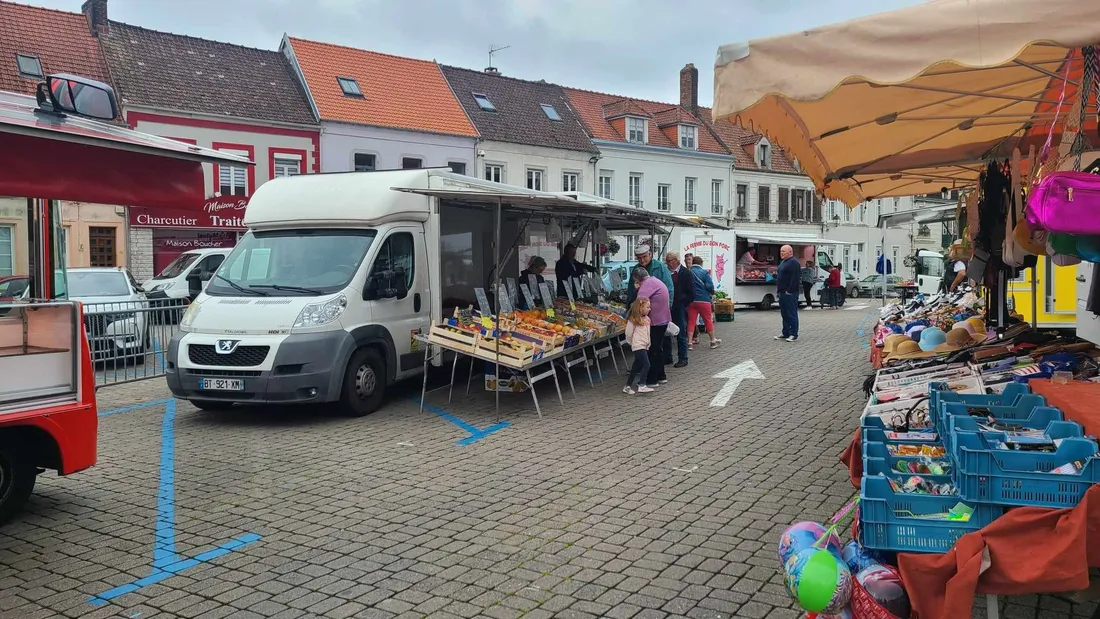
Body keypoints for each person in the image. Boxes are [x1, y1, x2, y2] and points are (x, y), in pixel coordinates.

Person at [631, 266, 670, 387]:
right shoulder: (655, 281)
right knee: (658, 349)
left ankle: (652, 379)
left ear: (638, 279)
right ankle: (661, 375)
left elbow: (638, 304)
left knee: (652, 350)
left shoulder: (646, 285)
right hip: (663, 319)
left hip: (655, 321)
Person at [665, 252, 695, 368]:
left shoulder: (686, 273)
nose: (668, 263)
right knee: (666, 332)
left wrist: (683, 304)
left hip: (680, 307)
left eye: (670, 260)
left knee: (681, 332)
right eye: (667, 260)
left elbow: (692, 293)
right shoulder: (666, 272)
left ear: (677, 260)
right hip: (666, 307)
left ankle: (683, 358)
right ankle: (667, 357)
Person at [687, 255, 721, 349]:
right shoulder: (704, 272)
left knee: (691, 322)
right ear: (701, 263)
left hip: (691, 301)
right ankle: (713, 341)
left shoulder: (688, 272)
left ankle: (690, 342)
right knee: (708, 321)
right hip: (704, 300)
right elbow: (709, 286)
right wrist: (712, 292)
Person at [623, 297, 654, 395]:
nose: (650, 309)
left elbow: (647, 333)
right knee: (646, 364)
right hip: (638, 346)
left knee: (636, 366)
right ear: (640, 308)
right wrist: (632, 342)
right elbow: (628, 334)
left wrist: (648, 342)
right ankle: (642, 384)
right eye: (647, 307)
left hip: (644, 345)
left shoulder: (647, 319)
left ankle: (627, 386)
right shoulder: (633, 320)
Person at [774, 244, 801, 342]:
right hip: (782, 292)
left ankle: (793, 333)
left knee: (791, 313)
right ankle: (785, 332)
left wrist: (789, 290)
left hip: (790, 293)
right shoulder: (783, 262)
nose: (781, 253)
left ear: (790, 252)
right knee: (784, 313)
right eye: (781, 251)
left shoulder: (793, 263)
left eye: (783, 251)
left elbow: (795, 279)